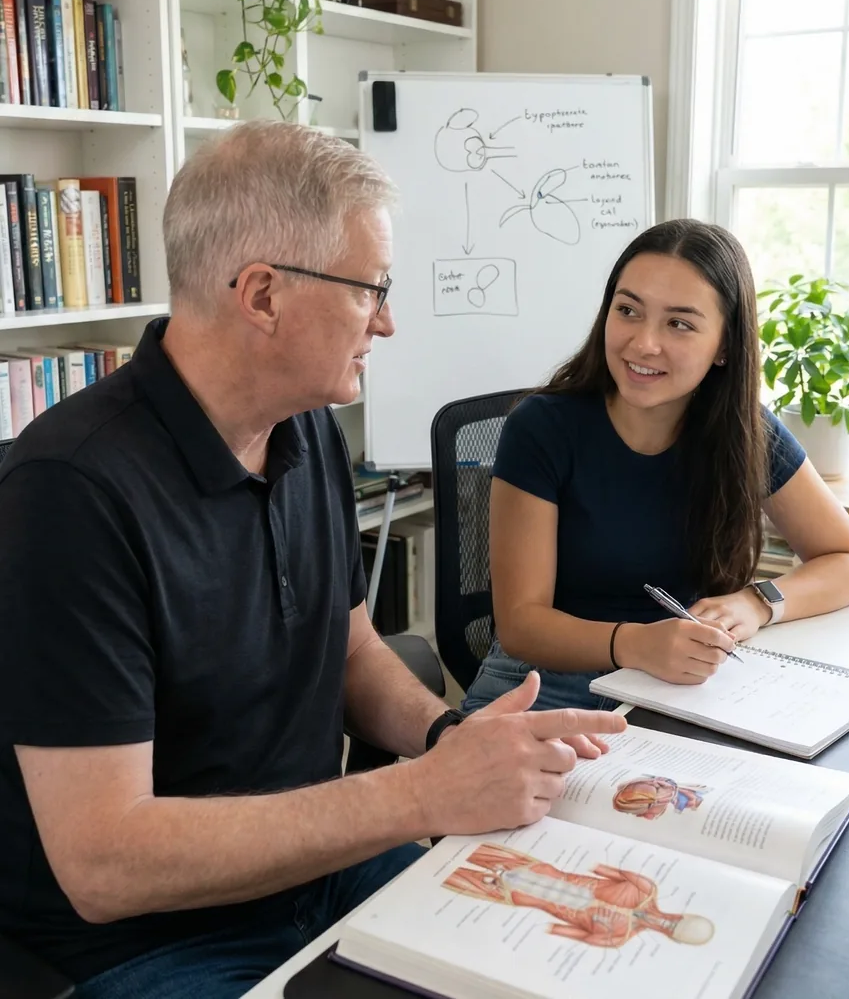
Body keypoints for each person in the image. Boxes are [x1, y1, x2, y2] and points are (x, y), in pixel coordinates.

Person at [0, 122, 627, 999]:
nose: (388, 322)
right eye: (371, 290)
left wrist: (451, 737)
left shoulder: (308, 430)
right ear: (263, 295)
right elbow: (104, 864)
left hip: (314, 875)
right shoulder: (69, 490)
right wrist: (423, 795)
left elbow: (351, 649)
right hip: (149, 943)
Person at [462, 218, 849, 714]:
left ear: (725, 346)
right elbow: (521, 625)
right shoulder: (542, 427)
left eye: (679, 323)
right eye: (628, 310)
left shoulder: (744, 431)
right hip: (541, 680)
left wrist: (757, 601)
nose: (643, 344)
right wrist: (635, 644)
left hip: (672, 682)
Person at [443, 843, 714, 948]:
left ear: (672, 938)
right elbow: (596, 866)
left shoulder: (617, 937)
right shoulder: (644, 889)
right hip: (531, 868)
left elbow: (554, 929)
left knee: (442, 869)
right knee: (454, 850)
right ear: (682, 914)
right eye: (676, 922)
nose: (665, 923)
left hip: (512, 894)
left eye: (672, 929)